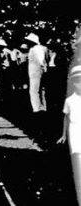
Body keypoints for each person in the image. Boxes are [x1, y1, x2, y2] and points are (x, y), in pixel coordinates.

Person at [58, 65, 81, 205]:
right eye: (77, 81)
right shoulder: (70, 101)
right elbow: (65, 118)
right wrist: (64, 135)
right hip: (75, 136)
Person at [26, 33, 47, 113]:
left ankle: (36, 108)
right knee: (41, 89)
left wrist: (42, 67)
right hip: (38, 71)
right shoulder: (43, 48)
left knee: (34, 90)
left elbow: (41, 60)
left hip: (35, 71)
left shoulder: (35, 49)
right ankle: (43, 106)